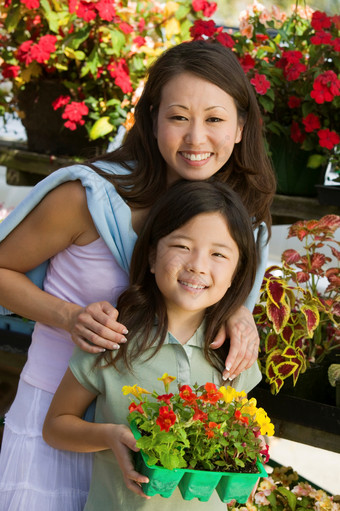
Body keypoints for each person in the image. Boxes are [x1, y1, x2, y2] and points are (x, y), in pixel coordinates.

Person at [0, 40, 275, 510]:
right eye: (178, 117)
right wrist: (67, 316)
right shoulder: (87, 197)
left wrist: (239, 315)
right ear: (151, 120)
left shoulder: (239, 225)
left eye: (214, 119)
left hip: (154, 452)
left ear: (240, 127)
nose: (195, 139)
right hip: (57, 423)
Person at [43, 179, 260, 511]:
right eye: (182, 246)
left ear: (237, 273)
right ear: (152, 256)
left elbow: (241, 435)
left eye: (219, 254)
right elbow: (56, 427)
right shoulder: (113, 338)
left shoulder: (234, 351)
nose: (198, 265)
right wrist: (108, 437)